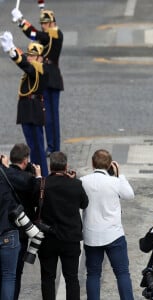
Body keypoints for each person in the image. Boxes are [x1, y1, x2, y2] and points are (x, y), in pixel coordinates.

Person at [80, 149, 135, 300]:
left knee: (93, 274)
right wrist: (119, 175)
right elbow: (129, 194)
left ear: (92, 163)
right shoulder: (115, 182)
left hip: (92, 235)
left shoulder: (83, 181)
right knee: (122, 273)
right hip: (114, 234)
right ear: (110, 165)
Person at [12, 6, 64, 155]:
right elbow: (36, 35)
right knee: (46, 114)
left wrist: (21, 21)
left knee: (52, 116)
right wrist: (21, 22)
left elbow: (34, 34)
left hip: (52, 78)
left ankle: (55, 147)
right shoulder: (47, 34)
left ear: (50, 23)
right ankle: (51, 146)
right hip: (43, 77)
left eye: (44, 23)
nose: (43, 26)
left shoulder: (55, 34)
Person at [37, 152, 88, 300]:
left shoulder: (43, 185)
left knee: (47, 278)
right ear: (66, 166)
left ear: (50, 167)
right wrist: (73, 180)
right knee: (72, 279)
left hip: (48, 238)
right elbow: (84, 203)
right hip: (70, 238)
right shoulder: (76, 184)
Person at [0, 32, 49, 176]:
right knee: (32, 145)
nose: (30, 57)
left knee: (37, 148)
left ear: (40, 58)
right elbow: (25, 61)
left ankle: (43, 178)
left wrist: (11, 50)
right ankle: (36, 173)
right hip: (27, 109)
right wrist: (13, 48)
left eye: (33, 56)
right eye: (30, 55)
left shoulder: (40, 69)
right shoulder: (33, 67)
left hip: (33, 110)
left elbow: (24, 63)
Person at [7, 143, 41, 300]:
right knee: (14, 273)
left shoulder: (4, 174)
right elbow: (38, 201)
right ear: (25, 160)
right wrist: (39, 177)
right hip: (21, 231)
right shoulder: (28, 180)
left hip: (4, 227)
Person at [0, 155, 21, 300]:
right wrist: (5, 168)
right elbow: (27, 183)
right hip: (7, 231)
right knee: (9, 276)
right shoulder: (4, 175)